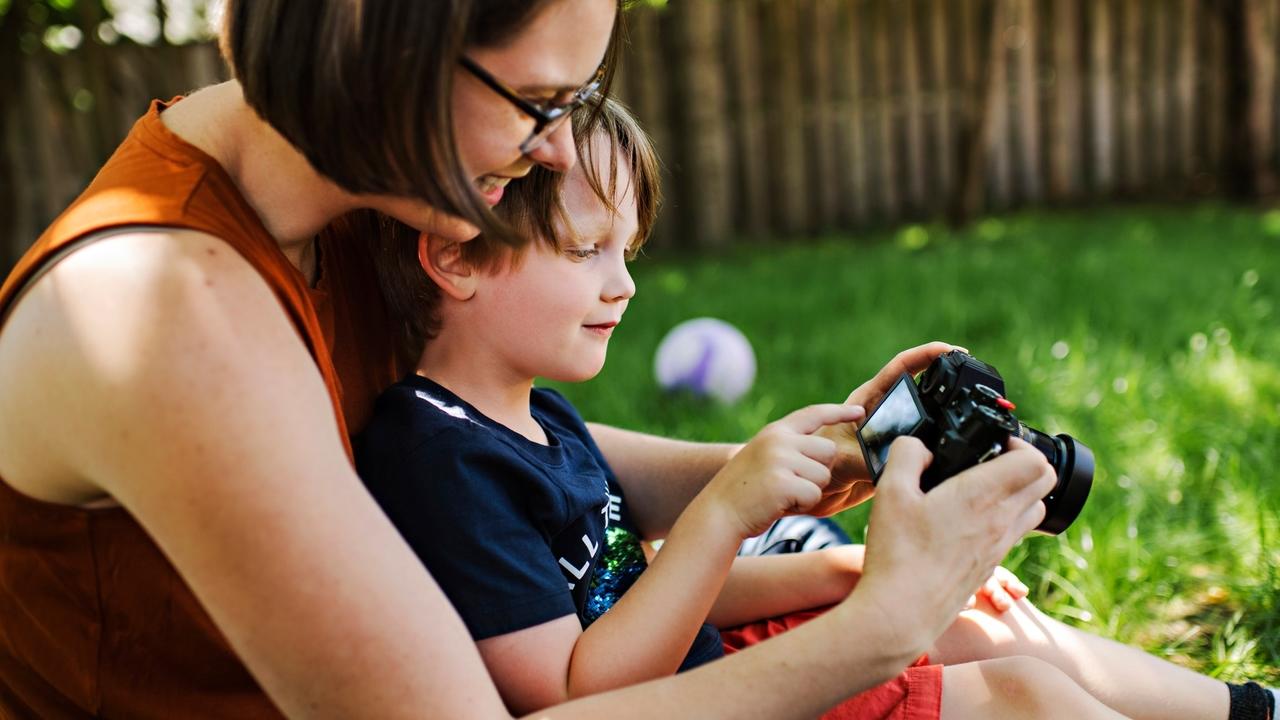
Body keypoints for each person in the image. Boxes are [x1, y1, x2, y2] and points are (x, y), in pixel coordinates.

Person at [0, 0, 1068, 718]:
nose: (557, 149)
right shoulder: (169, 315)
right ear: (389, 46)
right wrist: (880, 624)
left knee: (1007, 662)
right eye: (542, 103)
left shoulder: (362, 191)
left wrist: (796, 465)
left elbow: (492, 450)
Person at [358, 97, 1279, 720]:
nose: (623, 284)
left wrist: (846, 570)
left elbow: (631, 597)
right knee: (1020, 699)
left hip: (706, 666)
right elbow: (575, 694)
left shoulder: (538, 418)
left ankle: (1251, 709)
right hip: (698, 701)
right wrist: (725, 514)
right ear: (456, 255)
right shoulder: (438, 456)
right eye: (585, 249)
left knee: (975, 624)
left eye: (626, 252)